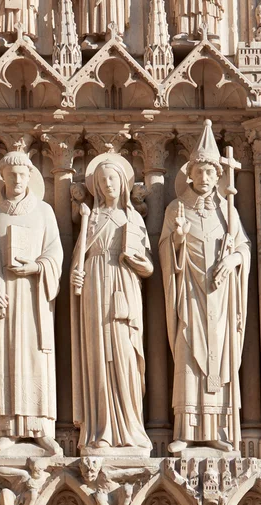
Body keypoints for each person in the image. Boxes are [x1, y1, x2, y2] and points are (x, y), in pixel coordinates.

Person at [159, 120, 250, 453]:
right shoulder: (176, 208)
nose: (206, 177)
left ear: (217, 176)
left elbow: (243, 247)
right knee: (188, 356)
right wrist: (179, 240)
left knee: (219, 359)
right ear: (190, 174)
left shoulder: (228, 212)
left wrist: (233, 261)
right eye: (200, 171)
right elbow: (166, 252)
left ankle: (217, 430)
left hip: (220, 297)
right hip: (190, 296)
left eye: (211, 172)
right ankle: (186, 429)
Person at [0, 152, 63, 455]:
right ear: (3, 177)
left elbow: (55, 255)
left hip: (34, 297)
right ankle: (6, 428)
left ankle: (40, 428)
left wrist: (36, 268)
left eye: (23, 174)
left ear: (30, 177)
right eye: (12, 175)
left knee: (36, 357)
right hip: (3, 300)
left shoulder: (45, 212)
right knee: (4, 357)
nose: (17, 180)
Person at [70, 154, 153, 451]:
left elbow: (149, 268)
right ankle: (101, 430)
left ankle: (131, 429)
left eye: (112, 179)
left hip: (124, 287)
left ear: (122, 183)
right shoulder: (90, 219)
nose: (107, 184)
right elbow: (80, 258)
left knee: (125, 356)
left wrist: (134, 260)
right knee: (98, 358)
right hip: (95, 287)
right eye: (102, 180)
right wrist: (75, 278)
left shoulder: (133, 219)